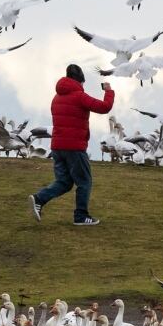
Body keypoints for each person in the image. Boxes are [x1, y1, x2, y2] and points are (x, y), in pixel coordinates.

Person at [29, 64, 114, 226]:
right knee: (84, 181)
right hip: (74, 147)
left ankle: (39, 199)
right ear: (80, 80)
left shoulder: (56, 98)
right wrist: (109, 91)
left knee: (65, 182)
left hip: (57, 147)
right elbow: (105, 107)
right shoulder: (79, 96)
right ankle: (81, 216)